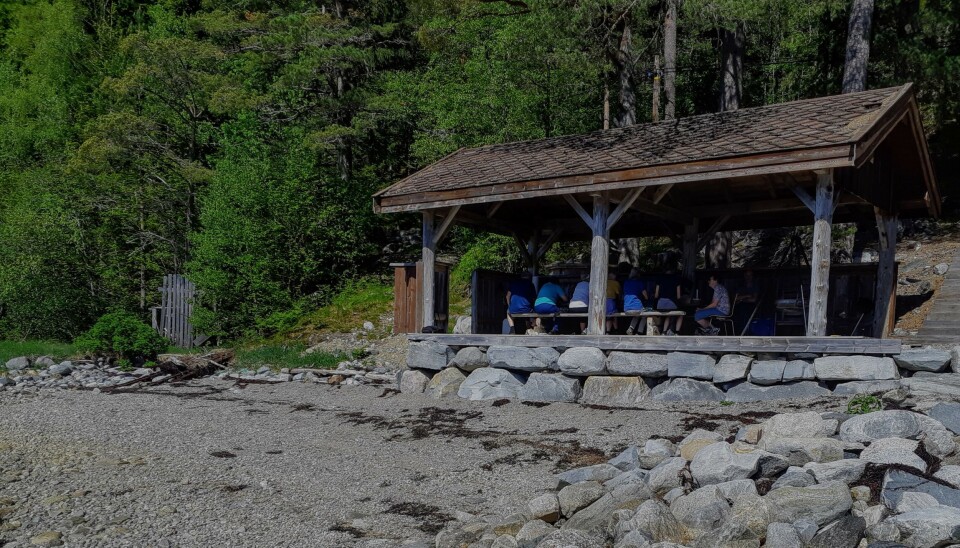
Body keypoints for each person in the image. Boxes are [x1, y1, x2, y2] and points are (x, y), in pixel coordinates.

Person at [654, 268, 684, 336]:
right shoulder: (676, 279)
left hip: (660, 304)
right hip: (671, 303)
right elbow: (678, 296)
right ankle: (677, 332)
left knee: (668, 314)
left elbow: (656, 295)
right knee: (681, 314)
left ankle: (664, 332)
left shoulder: (660, 279)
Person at [623, 268, 647, 335]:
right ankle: (639, 332)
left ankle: (631, 328)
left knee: (636, 316)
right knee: (645, 315)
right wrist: (647, 298)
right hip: (637, 307)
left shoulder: (626, 282)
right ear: (638, 275)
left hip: (626, 308)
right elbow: (645, 295)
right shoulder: (639, 282)